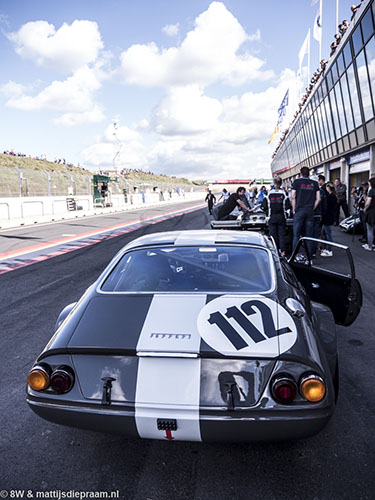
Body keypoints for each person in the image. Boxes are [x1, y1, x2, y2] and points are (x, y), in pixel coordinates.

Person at [291, 166, 321, 253]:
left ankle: (294, 255)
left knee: (296, 235)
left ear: (301, 173)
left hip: (299, 210)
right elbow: (318, 198)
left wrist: (294, 209)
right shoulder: (315, 183)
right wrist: (312, 208)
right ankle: (309, 257)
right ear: (309, 174)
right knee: (309, 236)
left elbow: (293, 196)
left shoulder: (296, 182)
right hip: (310, 211)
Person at [263, 177, 287, 256]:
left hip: (272, 217)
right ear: (281, 183)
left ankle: (274, 251)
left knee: (273, 235)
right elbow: (287, 206)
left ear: (274, 183)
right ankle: (283, 251)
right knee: (282, 235)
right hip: (281, 217)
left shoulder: (269, 193)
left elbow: (265, 206)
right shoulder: (284, 193)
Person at [321, 182, 338, 257]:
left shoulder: (330, 197)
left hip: (328, 217)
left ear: (328, 188)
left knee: (328, 234)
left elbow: (326, 206)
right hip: (329, 216)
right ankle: (326, 248)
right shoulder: (333, 196)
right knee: (324, 233)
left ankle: (329, 250)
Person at [362, 177, 375, 251]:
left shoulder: (371, 191)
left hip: (371, 211)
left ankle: (370, 245)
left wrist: (365, 208)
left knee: (369, 229)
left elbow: (368, 202)